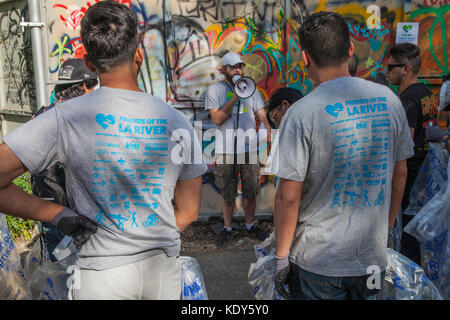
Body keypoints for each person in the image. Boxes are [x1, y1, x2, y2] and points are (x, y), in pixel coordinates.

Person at [0, 1, 206, 300]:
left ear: (90, 63)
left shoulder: (65, 118)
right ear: (139, 53)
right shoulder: (177, 122)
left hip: (101, 276)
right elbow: (188, 212)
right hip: (162, 273)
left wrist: (58, 214)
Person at [268, 11, 414, 300]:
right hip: (371, 260)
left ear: (305, 57)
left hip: (316, 264)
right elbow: (401, 173)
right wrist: (383, 230)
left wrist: (281, 257)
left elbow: (288, 196)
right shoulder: (389, 100)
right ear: (350, 50)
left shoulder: (300, 113)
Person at [31, 58, 98, 262]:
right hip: (75, 215)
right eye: (93, 85)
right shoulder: (80, 119)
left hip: (46, 210)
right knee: (81, 275)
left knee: (56, 273)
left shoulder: (42, 114)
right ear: (85, 86)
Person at [205, 52, 271, 246]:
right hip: (226, 149)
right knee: (228, 191)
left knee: (251, 190)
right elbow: (217, 119)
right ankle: (227, 228)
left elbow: (260, 111)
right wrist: (234, 98)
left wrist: (266, 125)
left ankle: (250, 225)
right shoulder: (215, 90)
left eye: (240, 67)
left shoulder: (250, 87)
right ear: (224, 69)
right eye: (233, 67)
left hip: (248, 148)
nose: (238, 70)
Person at [386, 43, 439, 265]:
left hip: (410, 176)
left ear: (405, 68)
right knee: (417, 233)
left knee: (407, 238)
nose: (387, 72)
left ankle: (411, 284)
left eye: (390, 68)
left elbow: (403, 144)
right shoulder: (427, 93)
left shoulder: (406, 100)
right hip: (426, 174)